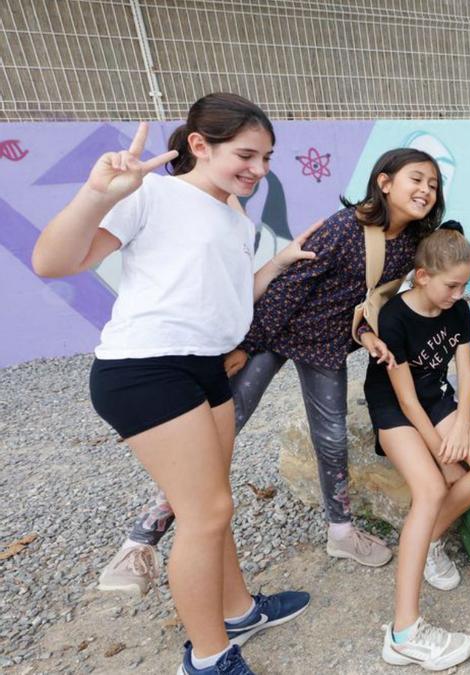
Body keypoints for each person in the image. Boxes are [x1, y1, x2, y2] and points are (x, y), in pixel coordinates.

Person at [33, 94, 310, 675]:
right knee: (206, 511)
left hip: (204, 367)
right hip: (145, 369)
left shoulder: (234, 214)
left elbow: (230, 295)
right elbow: (52, 262)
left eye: (266, 159)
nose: (259, 170)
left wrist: (278, 263)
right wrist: (97, 193)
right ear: (200, 145)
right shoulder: (150, 194)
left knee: (213, 504)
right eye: (246, 155)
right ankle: (207, 658)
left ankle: (239, 613)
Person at [97, 148, 448, 594]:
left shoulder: (411, 245)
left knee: (332, 436)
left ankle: (340, 531)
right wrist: (248, 344)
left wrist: (366, 336)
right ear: (384, 182)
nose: (425, 191)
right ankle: (140, 539)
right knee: (221, 430)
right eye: (416, 179)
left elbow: (369, 302)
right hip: (277, 329)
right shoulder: (344, 227)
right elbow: (290, 287)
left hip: (326, 345)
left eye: (433, 185)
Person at [367, 229, 470, 670]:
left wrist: (463, 424)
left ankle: (426, 542)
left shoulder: (457, 309)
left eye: (464, 285)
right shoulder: (394, 318)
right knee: (431, 487)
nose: (459, 294)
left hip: (438, 398)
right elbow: (405, 398)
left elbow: (465, 372)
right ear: (422, 276)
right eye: (451, 285)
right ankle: (403, 632)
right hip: (395, 407)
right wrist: (441, 449)